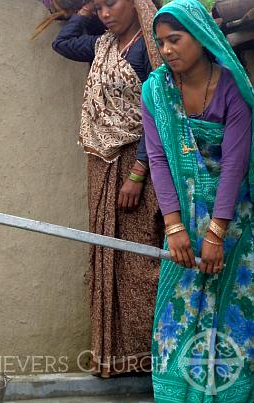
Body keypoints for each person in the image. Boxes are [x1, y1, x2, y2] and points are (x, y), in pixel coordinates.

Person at [142, 0, 254, 402]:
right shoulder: (155, 90)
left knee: (230, 306)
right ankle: (179, 395)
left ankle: (229, 395)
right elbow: (158, 158)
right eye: (161, 42)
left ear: (202, 38)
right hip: (183, 214)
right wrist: (174, 226)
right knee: (180, 301)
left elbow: (237, 164)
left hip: (234, 215)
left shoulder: (233, 88)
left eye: (176, 39)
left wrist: (217, 232)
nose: (167, 49)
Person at [52, 0, 164, 377]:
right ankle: (116, 356)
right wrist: (84, 11)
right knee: (107, 252)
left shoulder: (148, 50)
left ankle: (153, 358)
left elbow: (158, 112)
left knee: (141, 254)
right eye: (98, 7)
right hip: (102, 160)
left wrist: (137, 173)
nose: (104, 14)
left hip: (142, 162)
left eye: (110, 4)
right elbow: (63, 43)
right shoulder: (101, 47)